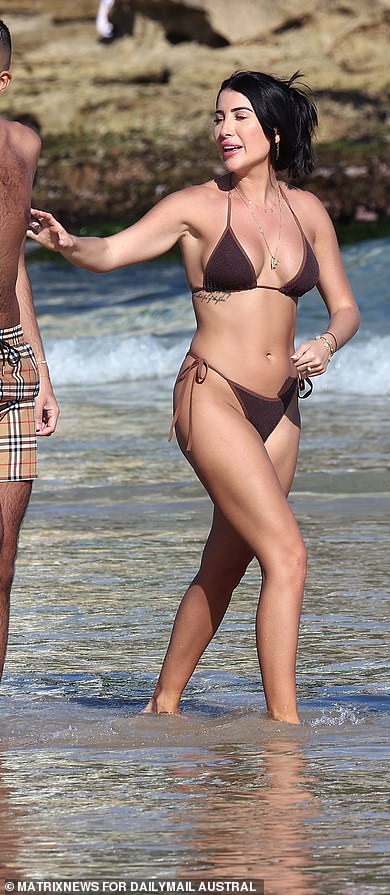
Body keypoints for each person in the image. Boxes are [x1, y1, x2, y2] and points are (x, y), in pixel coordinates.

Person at [28, 70, 360, 724]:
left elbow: (346, 307)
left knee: (228, 563)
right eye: (217, 118)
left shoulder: (309, 211)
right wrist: (70, 245)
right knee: (288, 552)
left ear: (273, 129)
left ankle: (164, 702)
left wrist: (326, 344)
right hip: (213, 395)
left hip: (282, 409)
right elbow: (115, 250)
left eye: (237, 117)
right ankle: (285, 728)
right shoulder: (196, 206)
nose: (223, 130)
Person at [0, 20, 59, 682]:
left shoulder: (24, 145)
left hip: (10, 357)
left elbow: (15, 260)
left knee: (4, 558)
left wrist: (42, 371)